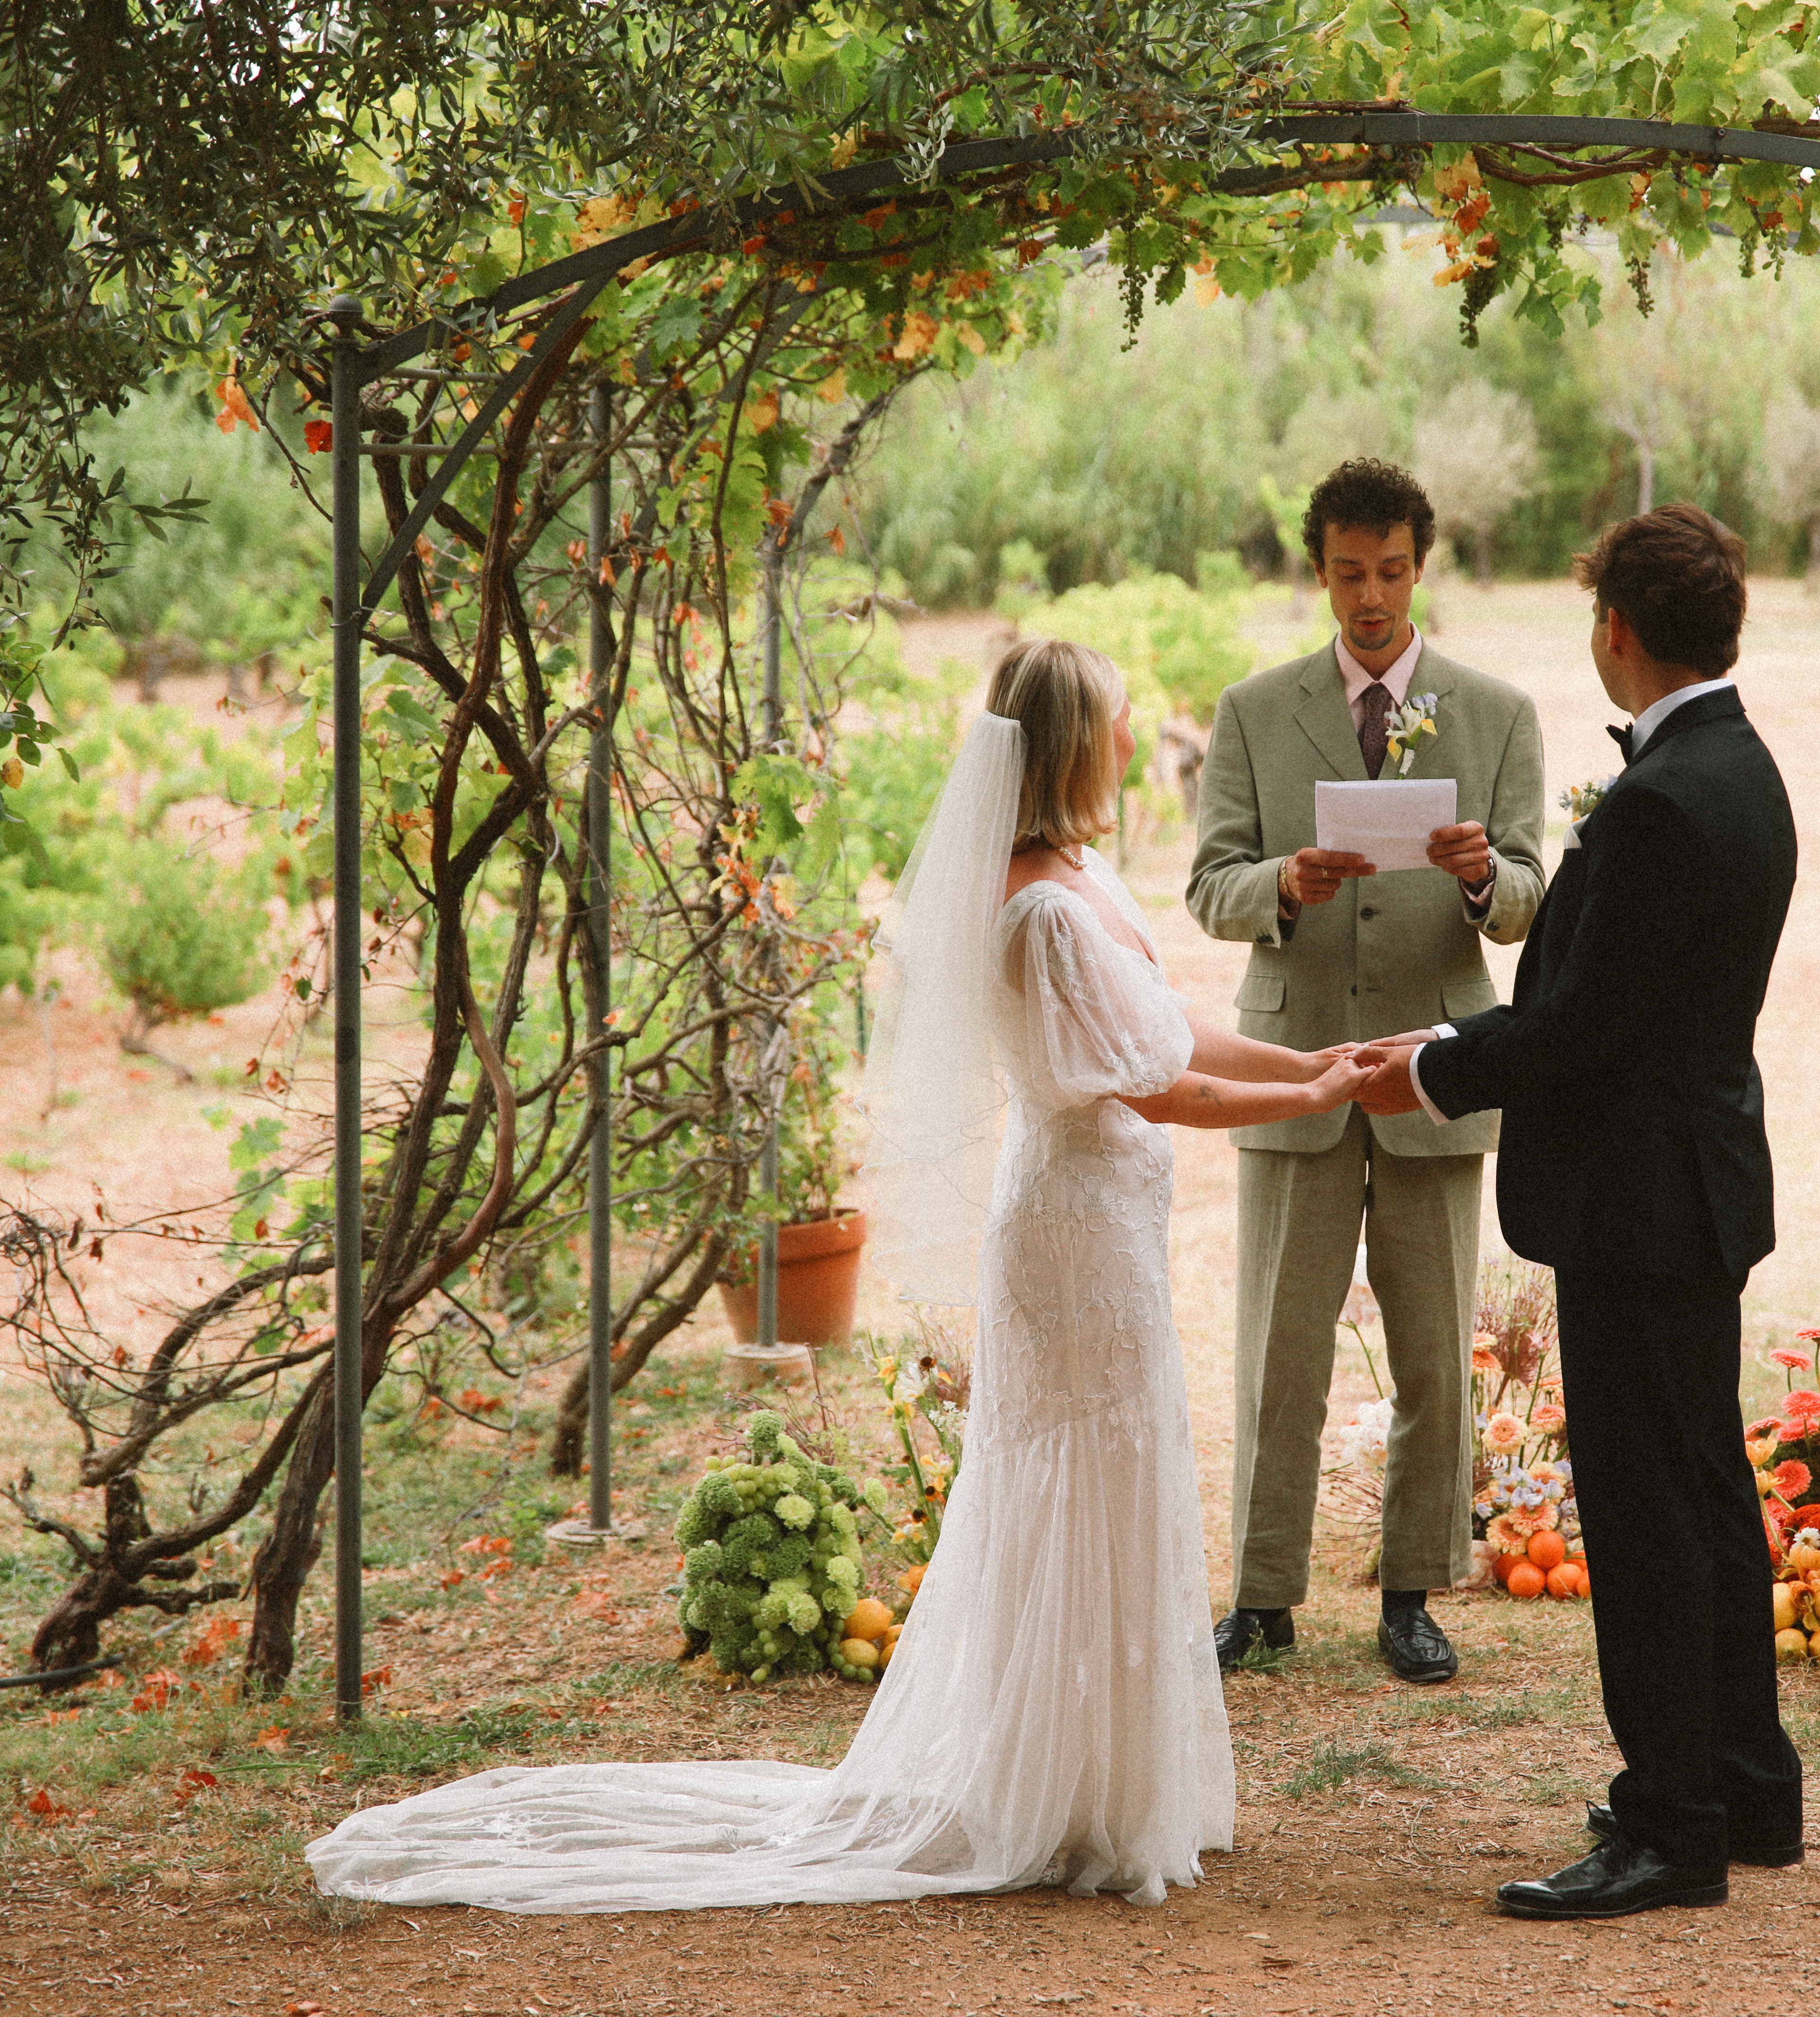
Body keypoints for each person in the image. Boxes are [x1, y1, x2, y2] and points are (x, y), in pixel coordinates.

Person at [305, 639, 1377, 1913]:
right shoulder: (1033, 907)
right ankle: (1060, 1790)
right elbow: (1143, 1081)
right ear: (1072, 742)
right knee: (1076, 1477)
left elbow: (1164, 1027)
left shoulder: (1078, 879)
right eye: (1122, 722)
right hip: (1075, 1230)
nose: (1138, 741)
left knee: (1116, 1471)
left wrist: (1302, 1057)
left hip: (1110, 1220)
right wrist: (1300, 1090)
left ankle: (1107, 1779)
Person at [1355, 503, 1804, 1920]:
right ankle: (1742, 1784)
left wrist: (1428, 1068)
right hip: (1694, 1187)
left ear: (1616, 629)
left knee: (1647, 1512)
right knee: (1706, 1495)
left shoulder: (1669, 798)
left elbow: (1587, 1025)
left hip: (1641, 1203)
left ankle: (1672, 1822)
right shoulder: (1743, 770)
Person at [1184, 458, 1547, 1685]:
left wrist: (1479, 876)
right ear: (1318, 571)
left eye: (1390, 571)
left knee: (1436, 1356)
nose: (1370, 598)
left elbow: (1528, 901)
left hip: (1436, 1073)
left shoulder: (1496, 713)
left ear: (1420, 565)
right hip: (1288, 1068)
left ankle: (1411, 1593)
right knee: (1278, 1349)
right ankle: (1264, 1594)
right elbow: (1207, 886)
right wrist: (1280, 884)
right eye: (1348, 574)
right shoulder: (1250, 711)